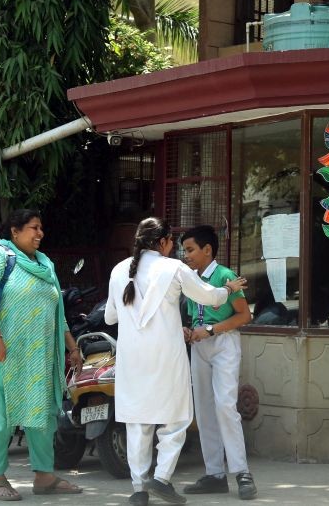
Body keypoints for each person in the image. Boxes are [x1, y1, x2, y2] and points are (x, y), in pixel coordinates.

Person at [104, 217, 247, 506]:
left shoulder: (119, 270)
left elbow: (110, 317)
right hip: (166, 356)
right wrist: (230, 289)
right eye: (172, 242)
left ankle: (139, 489)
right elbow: (211, 297)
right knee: (176, 419)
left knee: (138, 423)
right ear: (164, 242)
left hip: (132, 358)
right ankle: (162, 478)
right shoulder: (174, 268)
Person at [0, 209, 84, 501]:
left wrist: (72, 346)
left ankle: (44, 476)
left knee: (41, 417)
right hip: (4, 354)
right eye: (33, 228)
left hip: (40, 358)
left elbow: (58, 312)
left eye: (41, 228)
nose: (40, 234)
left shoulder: (45, 264)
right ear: (15, 231)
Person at [179, 225, 257, 500]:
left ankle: (242, 472)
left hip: (224, 343)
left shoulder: (225, 275)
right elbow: (193, 316)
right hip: (200, 346)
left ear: (207, 250)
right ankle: (214, 473)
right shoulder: (190, 279)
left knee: (225, 405)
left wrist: (211, 330)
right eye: (183, 250)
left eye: (190, 249)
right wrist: (190, 330)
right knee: (204, 409)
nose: (185, 255)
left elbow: (244, 316)